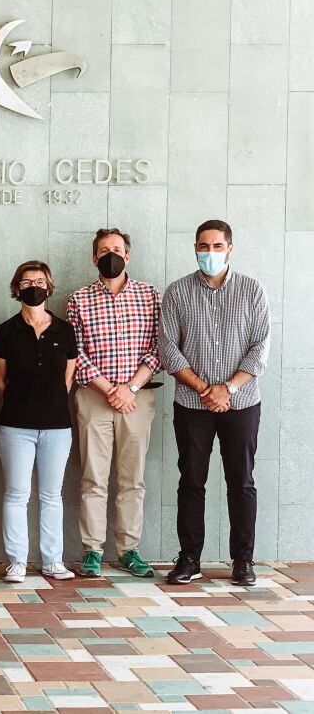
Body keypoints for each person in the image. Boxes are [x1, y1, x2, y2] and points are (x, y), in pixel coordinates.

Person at [160, 220, 269, 587]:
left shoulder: (252, 291)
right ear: (195, 248)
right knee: (191, 481)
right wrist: (206, 389)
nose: (210, 252)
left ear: (230, 248)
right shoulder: (177, 292)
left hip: (242, 403)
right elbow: (168, 349)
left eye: (217, 246)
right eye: (203, 246)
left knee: (242, 481)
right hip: (192, 405)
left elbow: (260, 347)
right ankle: (189, 558)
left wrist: (228, 389)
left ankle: (243, 561)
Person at [67, 228, 161, 578]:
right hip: (95, 397)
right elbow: (76, 353)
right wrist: (111, 389)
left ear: (127, 255)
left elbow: (159, 347)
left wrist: (130, 388)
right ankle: (92, 550)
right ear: (95, 258)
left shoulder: (150, 295)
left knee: (132, 479)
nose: (111, 255)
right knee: (93, 477)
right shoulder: (79, 299)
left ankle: (128, 550)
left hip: (137, 399)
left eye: (117, 249)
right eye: (104, 250)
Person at [0, 261, 77, 582]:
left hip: (57, 427)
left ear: (49, 287)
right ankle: (17, 562)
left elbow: (68, 378)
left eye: (40, 282)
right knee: (16, 494)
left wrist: (48, 404)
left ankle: (53, 560)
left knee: (51, 495)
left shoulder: (64, 331)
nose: (33, 287)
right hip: (15, 427)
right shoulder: (5, 331)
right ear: (17, 288)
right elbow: (0, 380)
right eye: (26, 283)